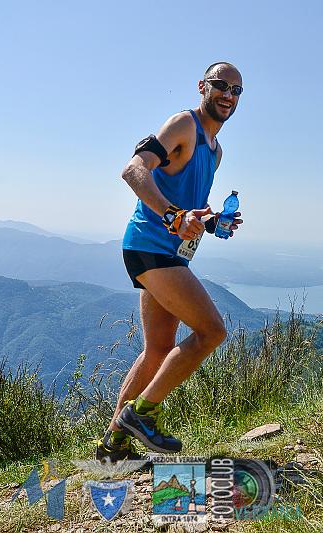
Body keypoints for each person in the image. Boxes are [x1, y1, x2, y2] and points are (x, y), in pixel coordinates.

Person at [95, 62, 244, 461]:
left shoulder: (215, 150)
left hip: (166, 251)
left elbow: (189, 207)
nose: (228, 95)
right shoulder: (184, 125)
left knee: (158, 349)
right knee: (211, 332)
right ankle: (142, 414)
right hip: (151, 245)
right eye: (221, 85)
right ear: (202, 86)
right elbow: (133, 169)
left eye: (236, 90)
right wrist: (172, 216)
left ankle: (113, 445)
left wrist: (211, 221)